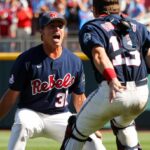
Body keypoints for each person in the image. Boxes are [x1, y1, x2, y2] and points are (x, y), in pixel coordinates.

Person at [0, 11, 106, 150]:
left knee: (94, 143)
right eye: (51, 26)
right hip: (31, 113)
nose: (57, 29)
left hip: (60, 116)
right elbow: (12, 95)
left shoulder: (74, 61)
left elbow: (79, 99)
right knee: (22, 125)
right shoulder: (27, 59)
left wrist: (90, 126)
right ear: (41, 32)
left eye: (60, 26)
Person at [60, 0, 150, 149]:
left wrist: (112, 78)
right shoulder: (138, 26)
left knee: (76, 130)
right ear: (118, 7)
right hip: (141, 94)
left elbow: (99, 55)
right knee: (124, 125)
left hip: (114, 91)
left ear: (95, 9)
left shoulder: (92, 27)